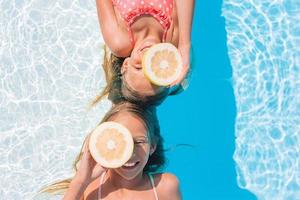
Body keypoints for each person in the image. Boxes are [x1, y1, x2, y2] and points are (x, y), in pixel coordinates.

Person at [39, 102, 182, 200]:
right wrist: (81, 181)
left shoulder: (165, 186)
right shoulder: (89, 190)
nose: (130, 153)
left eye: (138, 142)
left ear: (152, 146)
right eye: (120, 143)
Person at [94, 0, 194, 105]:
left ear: (126, 65)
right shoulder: (173, 38)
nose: (146, 57)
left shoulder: (119, 42)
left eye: (139, 67)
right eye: (153, 67)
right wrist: (184, 44)